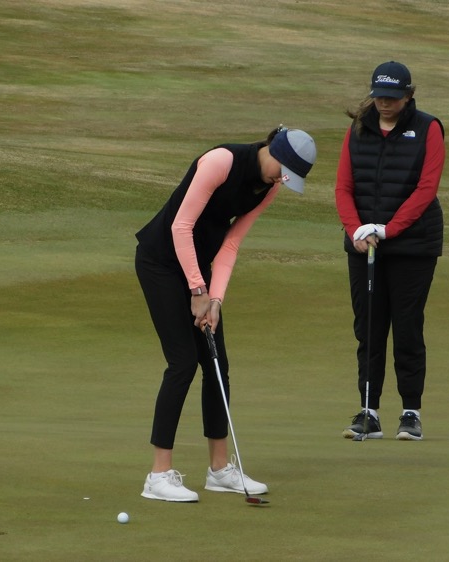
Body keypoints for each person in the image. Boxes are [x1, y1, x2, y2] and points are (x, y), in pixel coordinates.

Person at [135, 126, 317, 501]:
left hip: (198, 272)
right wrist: (197, 291)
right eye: (284, 171)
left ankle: (219, 470)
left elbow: (231, 244)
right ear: (274, 150)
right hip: (160, 263)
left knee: (217, 364)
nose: (282, 180)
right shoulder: (222, 161)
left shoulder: (269, 187)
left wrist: (215, 300)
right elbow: (181, 226)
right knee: (183, 362)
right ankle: (158, 475)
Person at [335, 61, 445, 441]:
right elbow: (343, 187)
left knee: (407, 327)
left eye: (393, 97)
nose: (385, 103)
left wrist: (388, 229)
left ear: (408, 96)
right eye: (380, 96)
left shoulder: (428, 128)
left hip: (413, 245)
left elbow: (426, 188)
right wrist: (355, 229)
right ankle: (369, 412)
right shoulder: (358, 128)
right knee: (368, 327)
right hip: (364, 244)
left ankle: (411, 412)